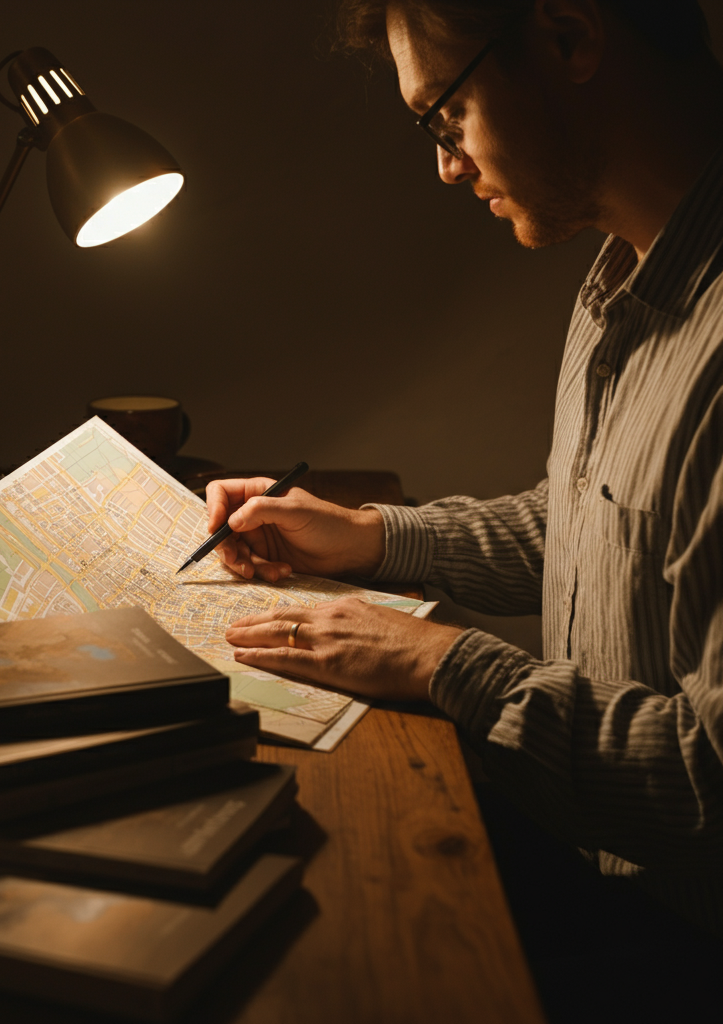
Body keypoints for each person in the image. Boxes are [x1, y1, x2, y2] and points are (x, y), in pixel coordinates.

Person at [207, 0, 723, 1018]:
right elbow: (599, 525)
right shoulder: (624, 276)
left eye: (446, 115)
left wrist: (440, 662)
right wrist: (371, 538)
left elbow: (711, 786)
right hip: (593, 862)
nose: (445, 166)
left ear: (570, 36)